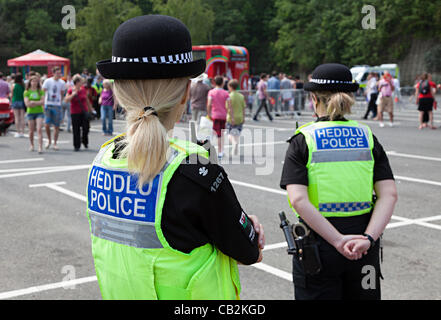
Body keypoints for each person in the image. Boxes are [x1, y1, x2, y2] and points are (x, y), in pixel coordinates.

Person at [90, 14, 264, 300]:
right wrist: (248, 226)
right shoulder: (195, 169)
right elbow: (248, 250)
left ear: (119, 95)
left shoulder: (103, 159)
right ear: (185, 93)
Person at [280, 63, 398, 300]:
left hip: (319, 246)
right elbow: (389, 194)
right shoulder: (367, 137)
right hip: (364, 243)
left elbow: (298, 200)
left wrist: (337, 240)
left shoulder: (303, 139)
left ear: (314, 99)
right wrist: (368, 238)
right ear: (349, 98)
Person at [64, 74, 92, 151]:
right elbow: (66, 100)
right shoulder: (71, 90)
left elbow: (86, 100)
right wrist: (73, 95)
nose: (82, 82)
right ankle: (77, 145)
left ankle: (84, 141)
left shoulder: (83, 89)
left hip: (84, 111)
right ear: (77, 82)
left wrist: (91, 109)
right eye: (81, 81)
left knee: (86, 128)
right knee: (76, 129)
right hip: (75, 112)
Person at [42, 66, 66, 150]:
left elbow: (62, 93)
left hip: (57, 104)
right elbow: (43, 91)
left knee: (56, 125)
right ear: (53, 73)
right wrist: (43, 103)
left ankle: (55, 142)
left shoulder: (62, 82)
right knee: (47, 124)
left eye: (60, 73)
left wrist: (60, 102)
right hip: (48, 104)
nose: (59, 74)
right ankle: (48, 140)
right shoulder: (48, 81)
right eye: (57, 73)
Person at [207, 75, 230, 159]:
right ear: (223, 83)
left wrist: (209, 114)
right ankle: (220, 151)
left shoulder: (211, 92)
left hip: (214, 115)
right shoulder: (226, 93)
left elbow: (209, 104)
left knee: (211, 133)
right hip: (223, 116)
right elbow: (229, 106)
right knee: (220, 134)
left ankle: (208, 150)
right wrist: (230, 115)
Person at [23, 76, 45, 153]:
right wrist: (36, 103)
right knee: (31, 130)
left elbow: (42, 101)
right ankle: (32, 144)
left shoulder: (40, 91)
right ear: (30, 82)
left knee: (39, 129)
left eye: (36, 81)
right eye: (33, 81)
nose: (34, 83)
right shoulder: (27, 92)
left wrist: (34, 102)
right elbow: (27, 104)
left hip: (39, 112)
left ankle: (40, 146)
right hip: (30, 113)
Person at [226, 79, 245, 156]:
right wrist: (244, 117)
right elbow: (243, 108)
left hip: (231, 118)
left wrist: (232, 117)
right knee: (236, 134)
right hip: (240, 117)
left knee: (229, 133)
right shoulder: (241, 96)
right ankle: (235, 148)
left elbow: (229, 108)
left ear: (230, 87)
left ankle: (234, 144)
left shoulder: (229, 96)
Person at [10, 73, 26, 138]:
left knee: (16, 117)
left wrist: (11, 102)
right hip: (22, 101)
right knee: (22, 117)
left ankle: (18, 132)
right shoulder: (23, 85)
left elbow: (12, 95)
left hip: (15, 101)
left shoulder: (13, 85)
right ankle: (22, 132)